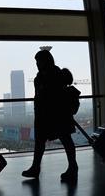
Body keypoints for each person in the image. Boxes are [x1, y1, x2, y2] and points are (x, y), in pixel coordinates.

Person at [22, 48, 78, 182]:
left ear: (45, 61)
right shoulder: (53, 75)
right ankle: (72, 167)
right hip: (52, 115)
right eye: (36, 62)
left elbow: (49, 95)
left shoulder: (47, 76)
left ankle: (37, 168)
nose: (37, 64)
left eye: (38, 61)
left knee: (54, 141)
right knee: (64, 140)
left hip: (53, 114)